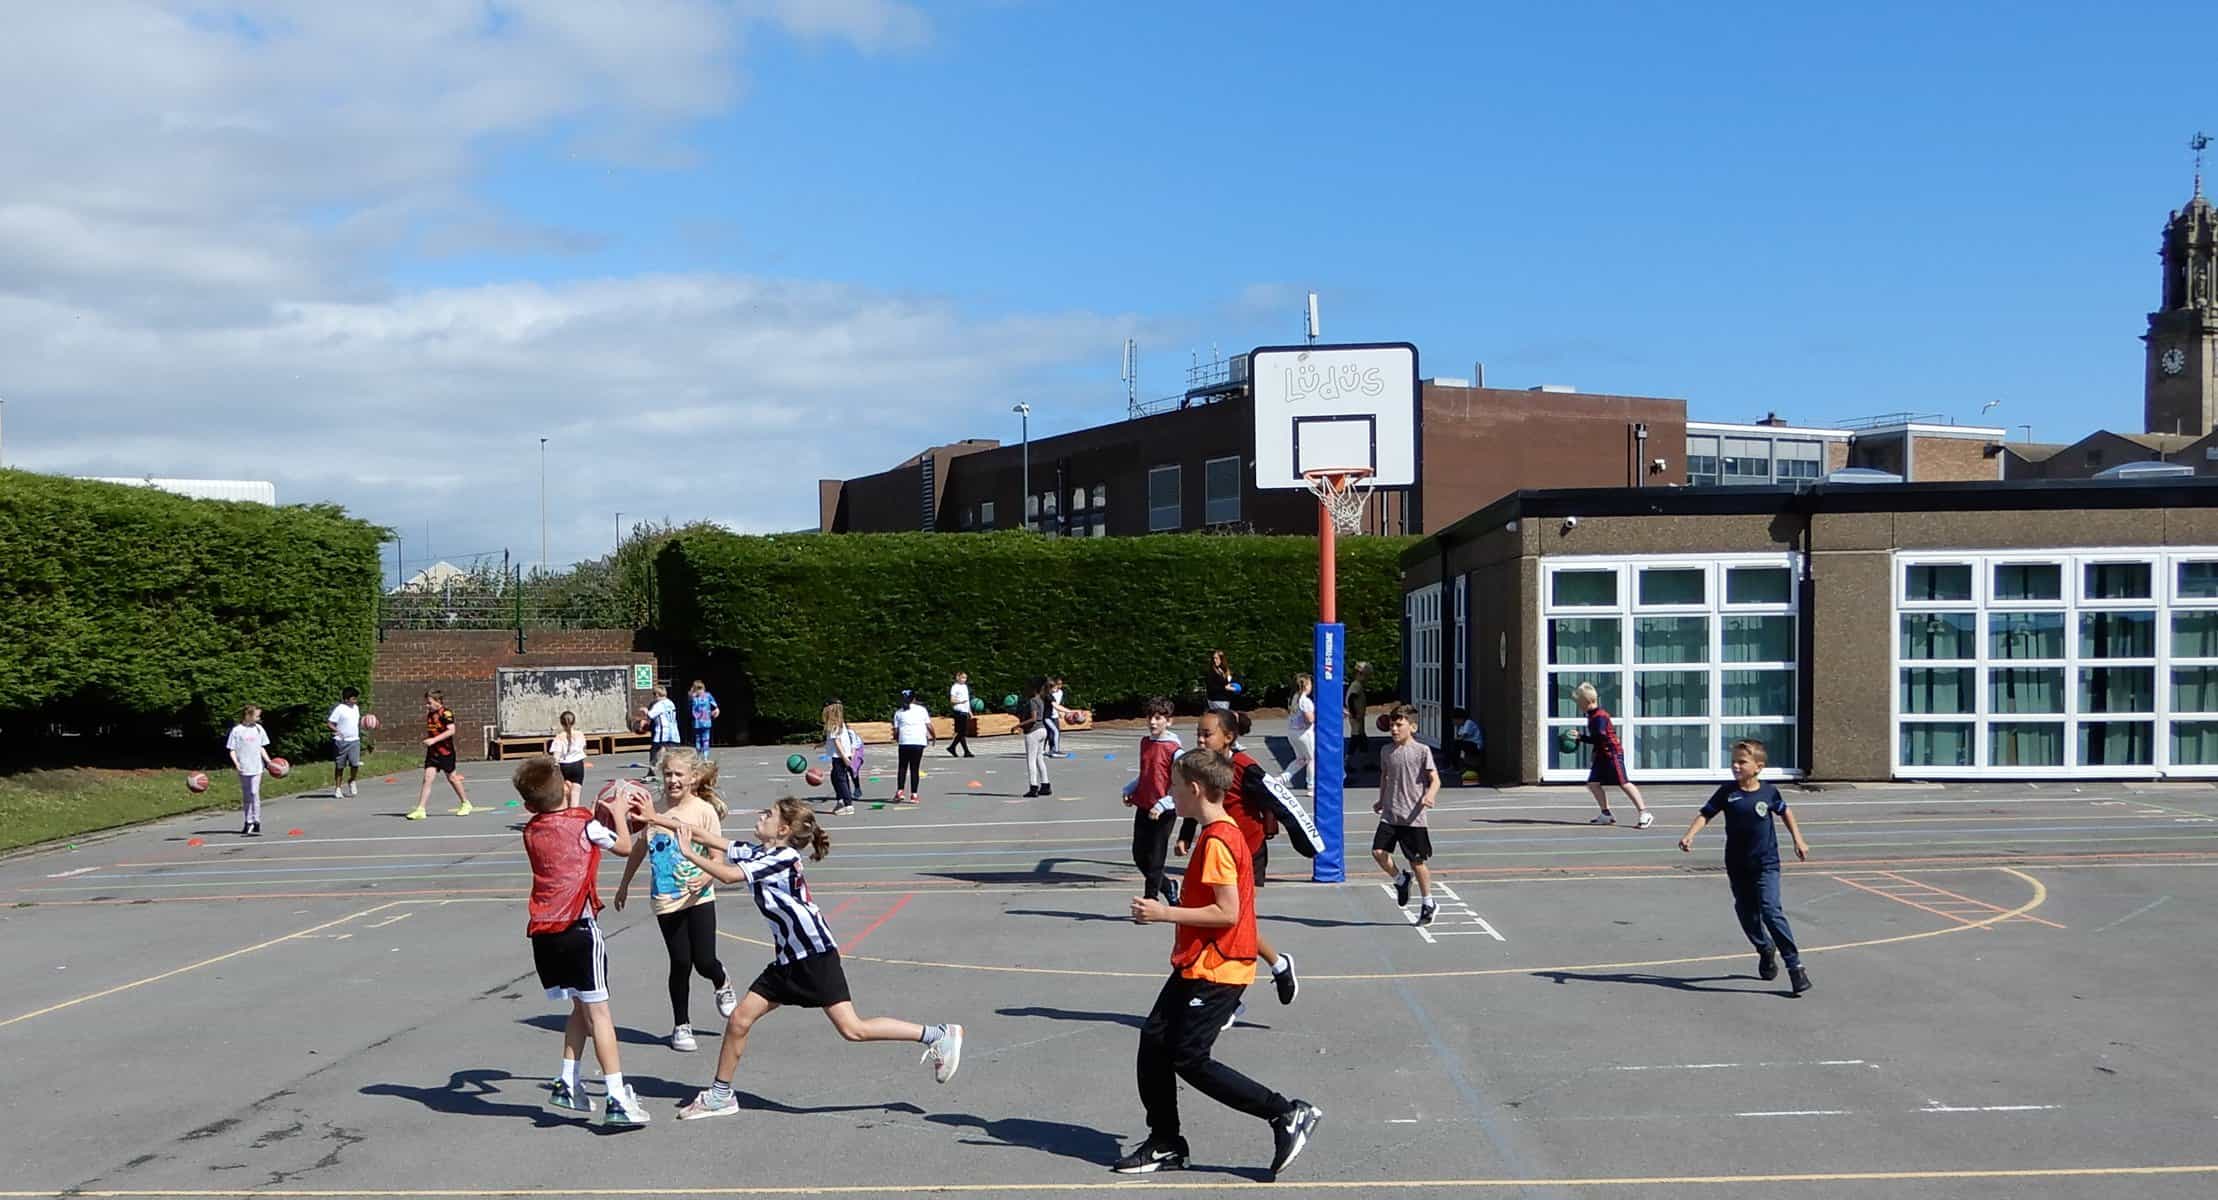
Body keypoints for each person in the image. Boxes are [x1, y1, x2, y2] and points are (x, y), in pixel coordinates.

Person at [663, 797, 967, 1120]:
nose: (761, 815)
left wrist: (688, 853)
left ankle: (937, 1034)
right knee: (739, 1019)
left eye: (768, 814)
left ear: (782, 830)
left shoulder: (783, 857)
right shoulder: (759, 852)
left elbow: (727, 875)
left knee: (853, 1029)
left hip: (813, 955)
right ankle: (720, 1095)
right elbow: (706, 836)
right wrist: (654, 817)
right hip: (788, 959)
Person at [1118, 748, 1322, 1178]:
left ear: (1194, 790)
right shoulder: (1220, 831)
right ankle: (1165, 1142)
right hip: (1199, 961)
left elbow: (1227, 912)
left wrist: (1164, 912)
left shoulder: (1217, 842)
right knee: (1154, 1042)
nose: (1172, 793)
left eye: (1175, 786)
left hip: (1220, 966)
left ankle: (1285, 1113)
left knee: (1190, 1058)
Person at [515, 755, 653, 1126]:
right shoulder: (585, 825)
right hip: (578, 929)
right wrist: (619, 813)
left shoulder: (531, 829)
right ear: (567, 787)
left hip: (544, 934)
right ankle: (617, 1098)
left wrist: (592, 813)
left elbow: (561, 822)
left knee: (579, 1006)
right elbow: (624, 846)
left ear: (528, 806)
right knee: (600, 1015)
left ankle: (567, 1080)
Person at [1178, 709, 1304, 1012]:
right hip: (1219, 851)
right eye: (1198, 734)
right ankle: (1276, 965)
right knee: (1228, 923)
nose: (1200, 739)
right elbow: (1197, 803)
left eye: (1207, 734)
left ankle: (1231, 997)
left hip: (1248, 851)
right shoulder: (1201, 767)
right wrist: (1186, 834)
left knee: (1233, 922)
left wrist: (1304, 838)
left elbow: (1278, 800)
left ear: (1228, 737)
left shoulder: (1245, 767)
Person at [615, 747, 737, 1053]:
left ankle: (721, 981)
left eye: (678, 774)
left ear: (693, 777)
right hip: (666, 899)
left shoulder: (703, 811)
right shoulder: (653, 812)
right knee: (681, 962)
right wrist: (624, 884)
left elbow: (717, 857)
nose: (672, 780)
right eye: (667, 774)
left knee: (704, 961)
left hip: (699, 897)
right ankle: (681, 1025)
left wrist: (706, 877)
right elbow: (639, 849)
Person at [1679, 739, 1812, 996]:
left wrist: (1798, 839)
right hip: (1738, 864)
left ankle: (1795, 966)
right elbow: (1706, 813)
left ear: (1758, 767)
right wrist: (1690, 834)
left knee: (1771, 911)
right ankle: (1765, 948)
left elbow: (1785, 812)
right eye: (1733, 762)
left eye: (1742, 762)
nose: (1736, 766)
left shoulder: (1769, 792)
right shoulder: (1727, 792)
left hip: (1766, 863)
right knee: (1746, 913)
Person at [1373, 705, 1441, 926]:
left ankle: (1428, 903)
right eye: (1392, 725)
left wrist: (1429, 795)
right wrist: (1381, 799)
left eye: (1399, 725)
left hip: (1413, 817)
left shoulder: (1422, 751)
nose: (1394, 729)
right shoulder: (1386, 751)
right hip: (1391, 813)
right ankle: (1401, 880)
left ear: (1412, 727)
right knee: (1378, 852)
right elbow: (1385, 777)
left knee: (1416, 862)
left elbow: (1435, 779)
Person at [1121, 697, 1184, 903]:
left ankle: (1151, 901)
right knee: (1139, 855)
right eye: (1150, 717)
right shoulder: (1146, 743)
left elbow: (1179, 784)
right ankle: (1168, 885)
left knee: (1156, 858)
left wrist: (1163, 804)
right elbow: (1147, 774)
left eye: (1158, 718)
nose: (1152, 722)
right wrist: (1131, 788)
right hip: (1144, 806)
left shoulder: (1174, 750)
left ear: (1169, 721)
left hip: (1164, 810)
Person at [1574, 682, 1653, 828]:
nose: (1578, 705)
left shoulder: (1600, 716)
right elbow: (1598, 739)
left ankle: (1644, 812)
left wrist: (1582, 737)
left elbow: (1600, 736)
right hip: (1601, 755)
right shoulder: (1592, 715)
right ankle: (1606, 814)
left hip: (1612, 754)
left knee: (1624, 783)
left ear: (1587, 701)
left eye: (1579, 702)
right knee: (1593, 783)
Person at [408, 689, 471, 820]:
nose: (427, 705)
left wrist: (434, 740)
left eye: (429, 703)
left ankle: (465, 803)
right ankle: (421, 809)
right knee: (427, 778)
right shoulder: (430, 714)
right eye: (426, 703)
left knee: (452, 778)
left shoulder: (446, 713)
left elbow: (451, 731)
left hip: (446, 752)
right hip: (433, 752)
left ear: (438, 701)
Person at [226, 704, 273, 837]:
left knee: (254, 792)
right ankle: (248, 821)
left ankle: (256, 820)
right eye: (256, 716)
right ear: (248, 715)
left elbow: (261, 747)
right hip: (244, 767)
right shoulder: (237, 730)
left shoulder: (258, 729)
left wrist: (269, 762)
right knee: (247, 795)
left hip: (257, 767)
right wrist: (237, 764)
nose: (259, 718)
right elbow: (232, 750)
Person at [892, 689, 932, 803]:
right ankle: (914, 794)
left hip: (904, 742)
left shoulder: (899, 712)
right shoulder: (922, 710)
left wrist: (897, 739)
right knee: (915, 768)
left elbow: (896, 731)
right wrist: (934, 736)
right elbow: (929, 725)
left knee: (902, 767)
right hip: (918, 742)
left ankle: (900, 791)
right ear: (914, 699)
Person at [822, 702, 862, 816]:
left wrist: (844, 757)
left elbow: (837, 742)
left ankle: (848, 805)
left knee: (841, 780)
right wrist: (822, 744)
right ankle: (840, 801)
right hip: (842, 755)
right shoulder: (839, 723)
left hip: (839, 756)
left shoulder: (834, 724)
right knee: (835, 777)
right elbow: (834, 740)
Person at [1020, 677, 1054, 799]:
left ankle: (1033, 787)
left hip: (1033, 731)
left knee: (1031, 760)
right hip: (1043, 729)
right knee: (1040, 758)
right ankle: (1045, 785)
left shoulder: (1033, 701)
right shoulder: (1042, 699)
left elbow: (1033, 718)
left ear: (1034, 689)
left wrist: (1018, 725)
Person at [549, 710, 589, 808]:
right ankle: (574, 813)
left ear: (561, 723)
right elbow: (583, 748)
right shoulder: (580, 734)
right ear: (574, 722)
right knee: (576, 792)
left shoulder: (559, 737)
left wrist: (553, 767)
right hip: (577, 765)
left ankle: (565, 811)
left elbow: (556, 756)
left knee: (564, 792)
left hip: (564, 766)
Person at [328, 687, 363, 798]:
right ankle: (338, 788)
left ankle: (352, 780)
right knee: (340, 766)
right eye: (353, 698)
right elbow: (330, 723)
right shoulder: (340, 709)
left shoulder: (356, 708)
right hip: (341, 742)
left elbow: (356, 722)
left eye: (356, 698)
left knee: (355, 764)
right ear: (346, 699)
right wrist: (337, 731)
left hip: (354, 740)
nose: (355, 700)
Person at [1285, 673, 1316, 793]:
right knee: (1311, 759)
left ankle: (1282, 778)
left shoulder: (1294, 698)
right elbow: (1309, 719)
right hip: (1304, 733)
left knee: (1300, 759)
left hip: (1292, 732)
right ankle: (1311, 786)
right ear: (1306, 685)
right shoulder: (1305, 701)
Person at [644, 685, 681, 780]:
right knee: (671, 753)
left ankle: (652, 772)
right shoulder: (671, 703)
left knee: (654, 751)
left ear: (657, 694)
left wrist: (645, 711)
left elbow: (651, 715)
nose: (653, 697)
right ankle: (675, 771)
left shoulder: (659, 704)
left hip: (662, 732)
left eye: (654, 694)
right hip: (673, 732)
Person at [1344, 661, 1372, 777]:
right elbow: (1351, 698)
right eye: (1366, 675)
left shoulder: (1357, 684)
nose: (1367, 678)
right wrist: (1354, 713)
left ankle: (1366, 761)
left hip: (1359, 716)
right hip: (1356, 717)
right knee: (1355, 738)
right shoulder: (1356, 685)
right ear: (1359, 674)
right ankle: (1346, 762)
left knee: (1362, 738)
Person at [947, 671, 975, 758]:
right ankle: (953, 747)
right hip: (959, 711)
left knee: (961, 732)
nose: (964, 679)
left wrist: (970, 711)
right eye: (962, 677)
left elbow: (967, 700)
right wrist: (960, 702)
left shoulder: (965, 687)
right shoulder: (955, 687)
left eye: (965, 678)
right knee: (962, 732)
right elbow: (952, 700)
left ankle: (964, 751)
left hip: (965, 711)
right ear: (957, 677)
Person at [688, 680, 720, 756]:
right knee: (699, 739)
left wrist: (716, 710)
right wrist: (691, 695)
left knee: (705, 739)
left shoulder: (707, 695)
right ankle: (700, 756)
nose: (700, 690)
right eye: (698, 688)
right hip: (698, 721)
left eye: (701, 688)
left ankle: (705, 757)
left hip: (705, 720)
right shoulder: (693, 697)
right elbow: (689, 706)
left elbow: (715, 705)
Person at [1451, 708, 1484, 778]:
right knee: (1454, 746)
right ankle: (1457, 765)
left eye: (1454, 720)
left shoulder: (1468, 723)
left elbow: (1463, 736)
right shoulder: (1461, 727)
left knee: (1456, 745)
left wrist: (1456, 740)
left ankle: (1456, 767)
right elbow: (1459, 737)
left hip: (1476, 745)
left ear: (1460, 719)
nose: (1454, 722)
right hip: (1469, 744)